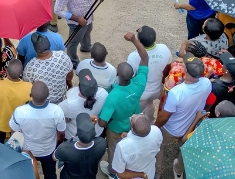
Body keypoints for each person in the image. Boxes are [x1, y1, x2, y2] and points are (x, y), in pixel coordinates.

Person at [98, 32, 149, 177]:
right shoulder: (139, 83)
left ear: (118, 76)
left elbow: (102, 123)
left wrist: (101, 121)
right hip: (133, 121)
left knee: (114, 149)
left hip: (116, 128)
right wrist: (134, 40)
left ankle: (113, 171)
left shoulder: (112, 96)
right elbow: (145, 57)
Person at [9, 81, 66, 179]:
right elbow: (61, 134)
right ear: (48, 95)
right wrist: (57, 145)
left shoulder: (20, 111)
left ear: (30, 95)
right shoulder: (57, 111)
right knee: (50, 174)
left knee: (28, 174)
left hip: (27, 150)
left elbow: (14, 132)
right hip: (49, 150)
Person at [54, 0, 103, 68]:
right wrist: (76, 19)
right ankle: (73, 62)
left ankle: (85, 47)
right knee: (73, 43)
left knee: (88, 31)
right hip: (76, 23)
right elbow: (58, 10)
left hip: (89, 15)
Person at [55, 112, 107, 179]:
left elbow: (55, 157)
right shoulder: (102, 143)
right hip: (90, 176)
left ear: (78, 133)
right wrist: (90, 127)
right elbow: (92, 138)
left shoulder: (64, 148)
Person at [112, 114, 163, 179]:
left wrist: (140, 174)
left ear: (132, 129)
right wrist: (129, 136)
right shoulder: (156, 131)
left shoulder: (122, 146)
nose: (133, 116)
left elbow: (120, 174)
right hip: (150, 173)